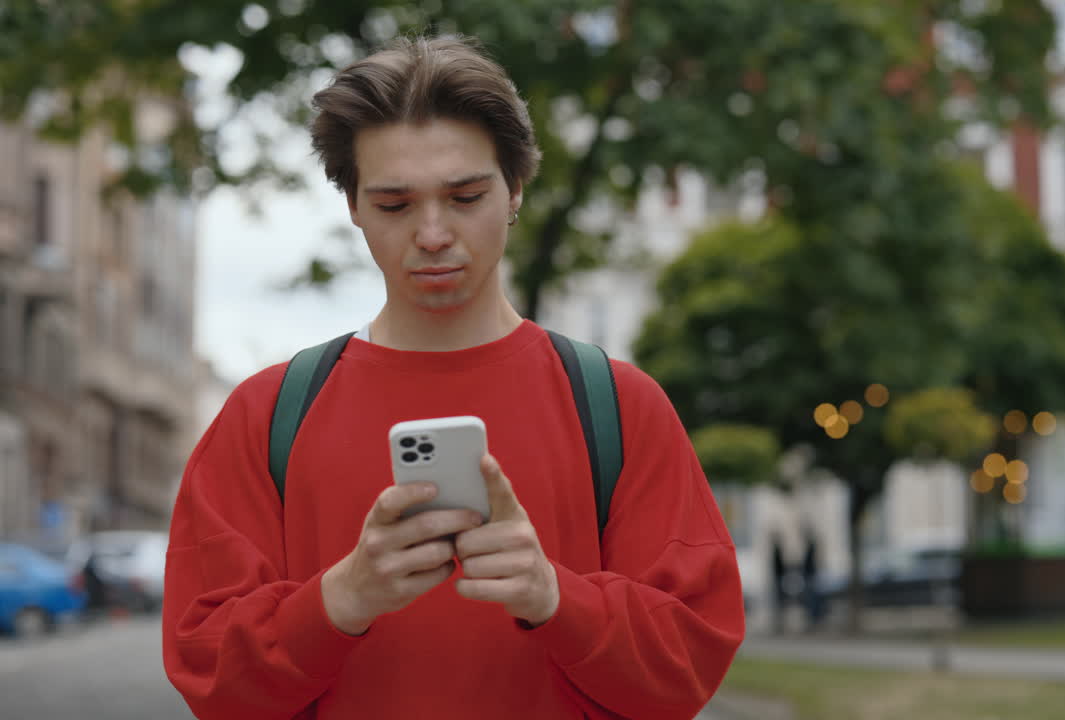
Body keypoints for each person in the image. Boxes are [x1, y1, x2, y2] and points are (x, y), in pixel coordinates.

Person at [162, 33, 745, 720]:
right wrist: (340, 599)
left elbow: (690, 661)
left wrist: (555, 596)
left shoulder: (620, 406)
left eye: (465, 196)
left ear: (515, 189)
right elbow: (206, 672)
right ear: (352, 206)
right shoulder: (265, 415)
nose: (433, 234)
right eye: (394, 205)